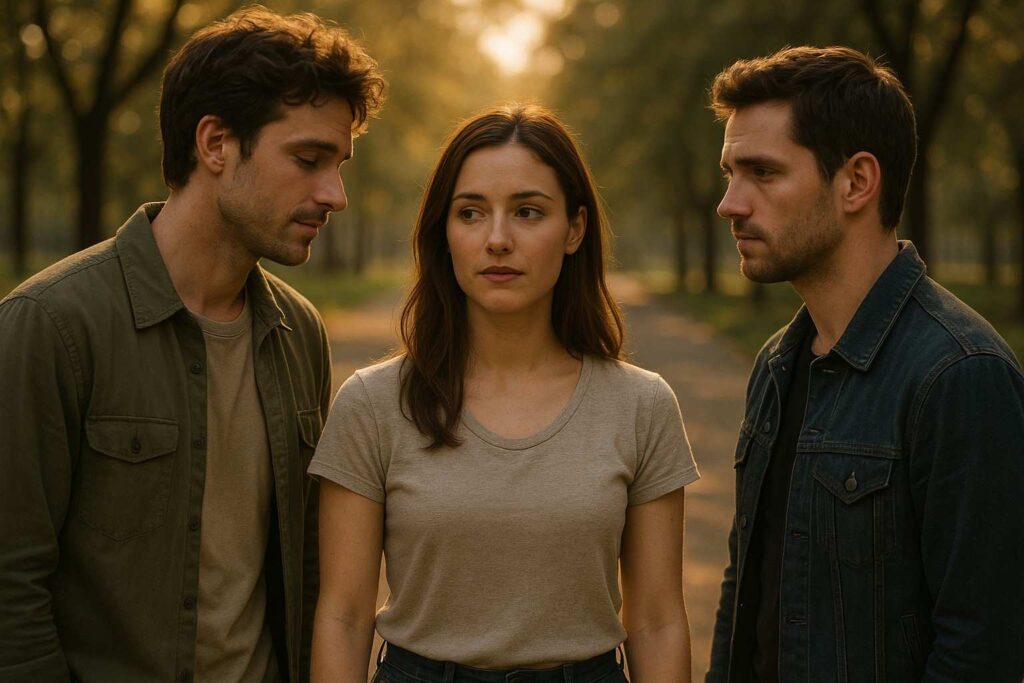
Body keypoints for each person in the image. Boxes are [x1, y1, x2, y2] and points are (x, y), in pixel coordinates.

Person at [0, 8, 384, 682]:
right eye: (308, 159)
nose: (335, 194)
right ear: (215, 144)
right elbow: (10, 586)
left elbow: (307, 567)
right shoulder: (51, 325)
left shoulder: (300, 333)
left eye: (339, 164)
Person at [308, 104, 700, 681]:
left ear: (574, 229)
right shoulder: (372, 404)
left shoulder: (642, 406)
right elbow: (343, 617)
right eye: (471, 213)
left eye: (527, 212)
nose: (497, 240)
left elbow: (659, 619)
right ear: (444, 231)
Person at [705, 45, 1024, 682]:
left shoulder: (961, 374)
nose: (730, 205)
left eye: (762, 173)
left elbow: (981, 651)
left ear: (856, 182)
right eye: (728, 174)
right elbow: (746, 598)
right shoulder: (776, 363)